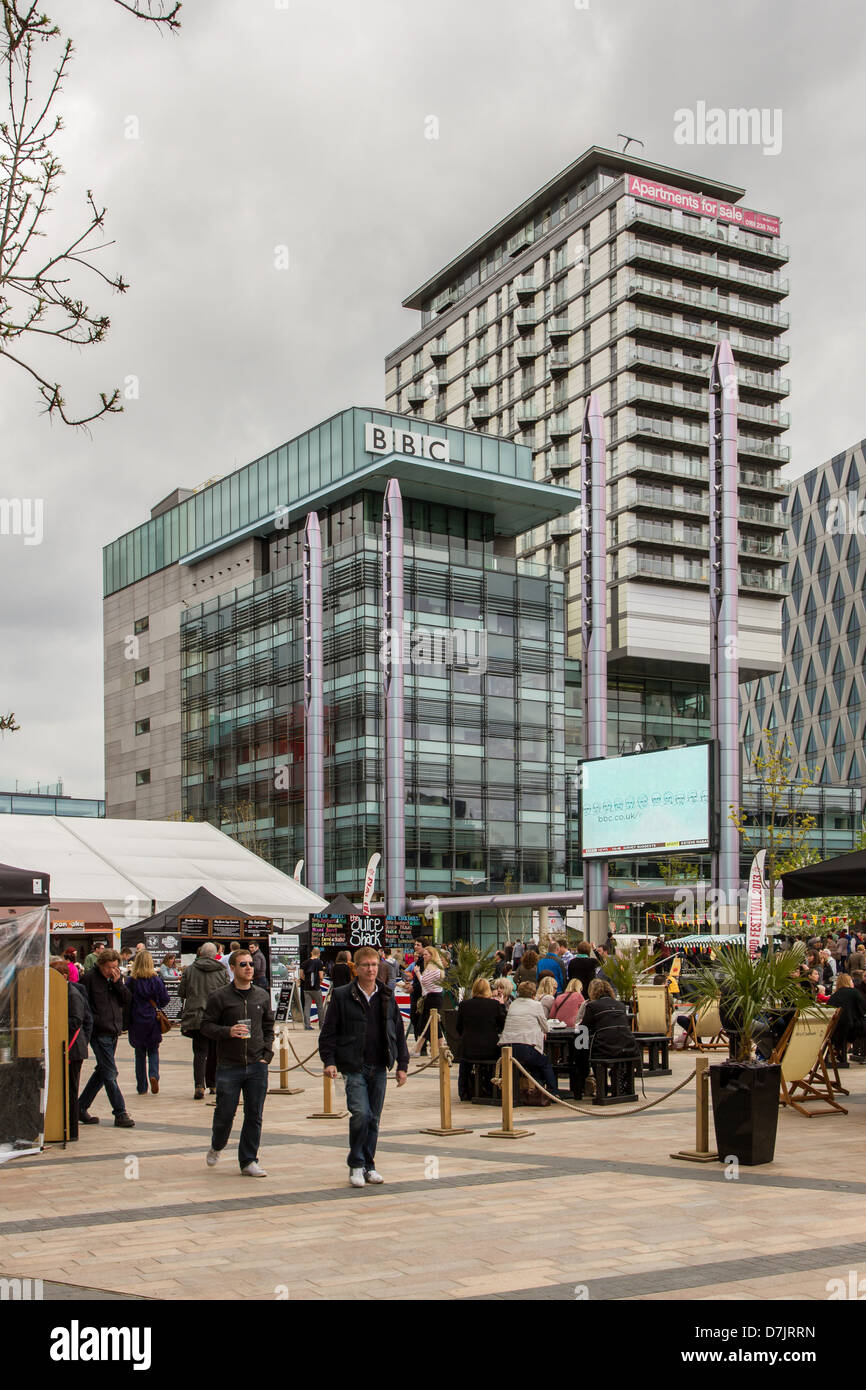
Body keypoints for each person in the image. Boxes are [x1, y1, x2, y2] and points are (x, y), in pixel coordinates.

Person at [318, 944, 409, 1187]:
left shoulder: (386, 995)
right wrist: (329, 1061)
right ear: (355, 969)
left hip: (379, 1064)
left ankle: (369, 1165)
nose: (371, 969)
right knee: (361, 1113)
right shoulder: (342, 995)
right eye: (366, 965)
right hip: (353, 1065)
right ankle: (356, 1164)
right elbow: (329, 1032)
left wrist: (403, 1064)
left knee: (374, 1119)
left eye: (374, 965)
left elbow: (398, 1031)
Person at [201, 948, 275, 1177]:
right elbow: (205, 1026)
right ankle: (218, 1143)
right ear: (232, 968)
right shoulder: (220, 997)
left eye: (251, 964)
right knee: (225, 1112)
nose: (248, 968)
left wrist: (266, 1055)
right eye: (243, 964)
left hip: (256, 1064)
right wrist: (227, 1031)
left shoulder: (261, 995)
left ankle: (249, 1160)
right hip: (229, 1065)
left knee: (254, 1113)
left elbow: (268, 1027)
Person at [78, 949, 135, 1128]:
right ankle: (120, 1112)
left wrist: (118, 983)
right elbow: (82, 1004)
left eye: (115, 967)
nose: (112, 970)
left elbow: (127, 1000)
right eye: (110, 967)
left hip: (113, 1030)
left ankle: (79, 1107)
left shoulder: (116, 979)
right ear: (101, 964)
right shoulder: (89, 978)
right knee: (110, 1072)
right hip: (99, 1031)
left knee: (102, 1071)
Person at [178, 942, 230, 1099]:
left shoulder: (191, 970)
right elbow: (227, 993)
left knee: (200, 1052)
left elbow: (182, 992)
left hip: (196, 1016)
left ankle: (199, 1085)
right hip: (215, 1017)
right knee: (215, 1052)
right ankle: (213, 1084)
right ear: (215, 955)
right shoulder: (221, 970)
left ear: (200, 953)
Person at [50, 957, 93, 1141]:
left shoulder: (72, 994)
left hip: (72, 1049)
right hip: (63, 1047)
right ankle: (61, 1127)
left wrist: (53, 1023)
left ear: (64, 976)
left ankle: (72, 1130)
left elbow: (76, 1021)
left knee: (71, 1089)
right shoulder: (59, 992)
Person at [498, 979, 557, 1100]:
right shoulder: (536, 1005)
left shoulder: (513, 1004)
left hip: (506, 1046)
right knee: (544, 1062)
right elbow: (545, 1026)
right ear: (533, 994)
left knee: (535, 1062)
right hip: (524, 1047)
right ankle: (553, 1092)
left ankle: (534, 1090)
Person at [127, 949, 171, 1095]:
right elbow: (165, 999)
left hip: (136, 1018)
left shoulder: (132, 981)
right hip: (152, 1018)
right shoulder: (156, 980)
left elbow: (126, 1000)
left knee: (139, 1053)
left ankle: (141, 1086)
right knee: (153, 1050)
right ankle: (154, 1074)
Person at [456, 977, 507, 1101]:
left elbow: (458, 1027)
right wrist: (502, 1006)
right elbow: (503, 1025)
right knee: (494, 1062)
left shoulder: (464, 1005)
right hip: (489, 1048)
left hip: (469, 1047)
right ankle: (490, 1088)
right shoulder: (494, 1005)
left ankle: (463, 1091)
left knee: (464, 1065)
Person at [828, 973, 866, 1068]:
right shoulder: (854, 992)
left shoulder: (835, 995)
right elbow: (863, 1007)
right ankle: (842, 1050)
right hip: (849, 1026)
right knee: (860, 1027)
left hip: (835, 1027)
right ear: (848, 982)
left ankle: (839, 1050)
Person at [414, 946, 446, 1052]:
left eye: (426, 954)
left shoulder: (433, 968)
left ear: (432, 956)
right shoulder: (432, 967)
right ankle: (440, 1048)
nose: (424, 957)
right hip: (431, 996)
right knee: (430, 1023)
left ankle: (419, 1049)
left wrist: (418, 973)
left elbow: (424, 982)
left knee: (428, 1023)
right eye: (424, 955)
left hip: (433, 997)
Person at [299, 947, 326, 1030]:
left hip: (307, 988)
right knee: (320, 1007)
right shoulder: (319, 963)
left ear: (311, 953)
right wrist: (319, 981)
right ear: (319, 954)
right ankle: (321, 1025)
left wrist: (306, 980)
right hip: (316, 988)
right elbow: (321, 976)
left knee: (307, 1006)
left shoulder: (304, 963)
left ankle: (307, 1025)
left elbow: (301, 975)